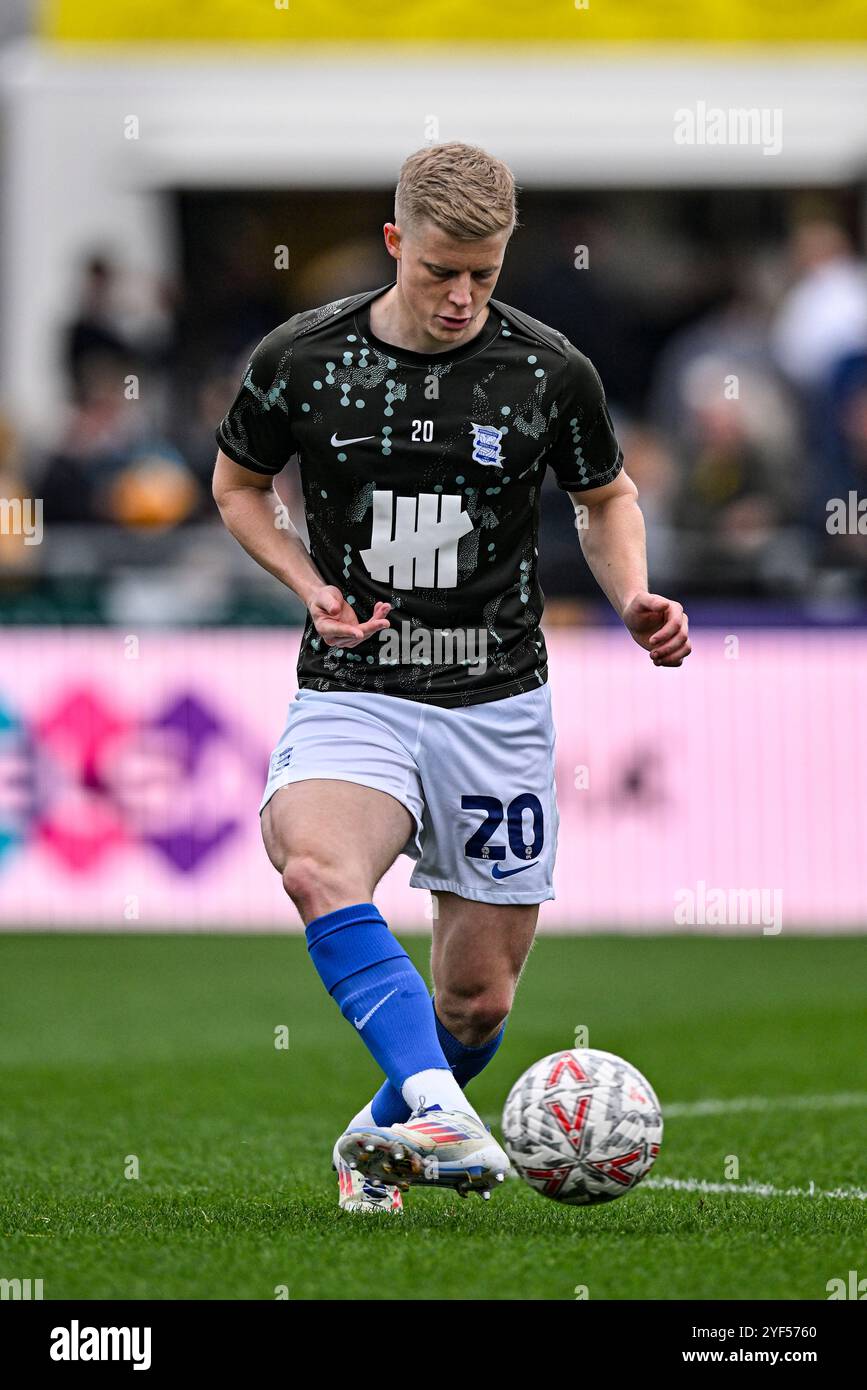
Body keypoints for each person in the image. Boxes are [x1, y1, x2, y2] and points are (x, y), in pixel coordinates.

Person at [212, 142, 690, 1213]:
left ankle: (383, 1128)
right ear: (394, 244)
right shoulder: (303, 358)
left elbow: (607, 496)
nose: (463, 296)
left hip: (497, 702)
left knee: (475, 1001)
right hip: (357, 686)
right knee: (316, 868)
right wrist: (305, 581)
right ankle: (439, 1105)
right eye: (440, 271)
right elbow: (237, 485)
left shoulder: (550, 370)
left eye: (485, 272)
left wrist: (633, 598)